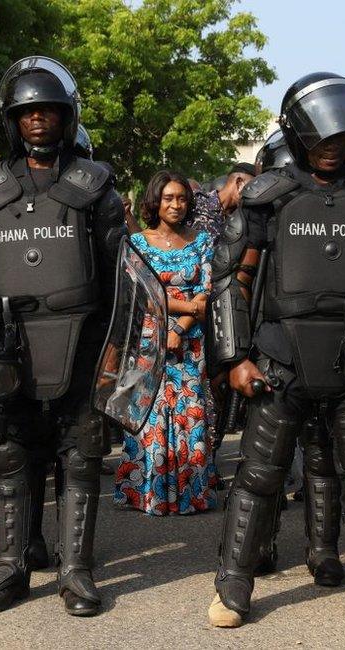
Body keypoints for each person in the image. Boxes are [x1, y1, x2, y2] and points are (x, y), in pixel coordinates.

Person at [206, 72, 345, 632]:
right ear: (298, 134)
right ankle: (234, 583)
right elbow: (231, 279)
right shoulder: (266, 197)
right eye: (321, 136)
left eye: (342, 136)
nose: (332, 146)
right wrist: (235, 359)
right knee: (259, 475)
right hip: (280, 357)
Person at [0, 56, 124, 616]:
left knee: (80, 458)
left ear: (67, 116)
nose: (38, 121)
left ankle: (76, 571)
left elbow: (120, 275)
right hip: (10, 347)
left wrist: (115, 348)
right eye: (27, 112)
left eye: (48, 110)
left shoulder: (96, 187)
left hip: (82, 342)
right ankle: (10, 565)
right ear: (12, 120)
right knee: (10, 457)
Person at [114, 170, 217, 515]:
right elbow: (141, 294)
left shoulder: (202, 241)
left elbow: (207, 293)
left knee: (191, 414)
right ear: (155, 202)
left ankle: (192, 494)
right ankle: (147, 494)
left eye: (182, 198)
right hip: (148, 339)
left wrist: (182, 325)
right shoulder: (137, 243)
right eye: (169, 198)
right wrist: (183, 308)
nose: (175, 204)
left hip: (191, 342)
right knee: (148, 415)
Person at [185, 162, 254, 239]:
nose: (255, 194)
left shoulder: (238, 219)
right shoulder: (195, 201)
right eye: (252, 187)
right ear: (239, 183)